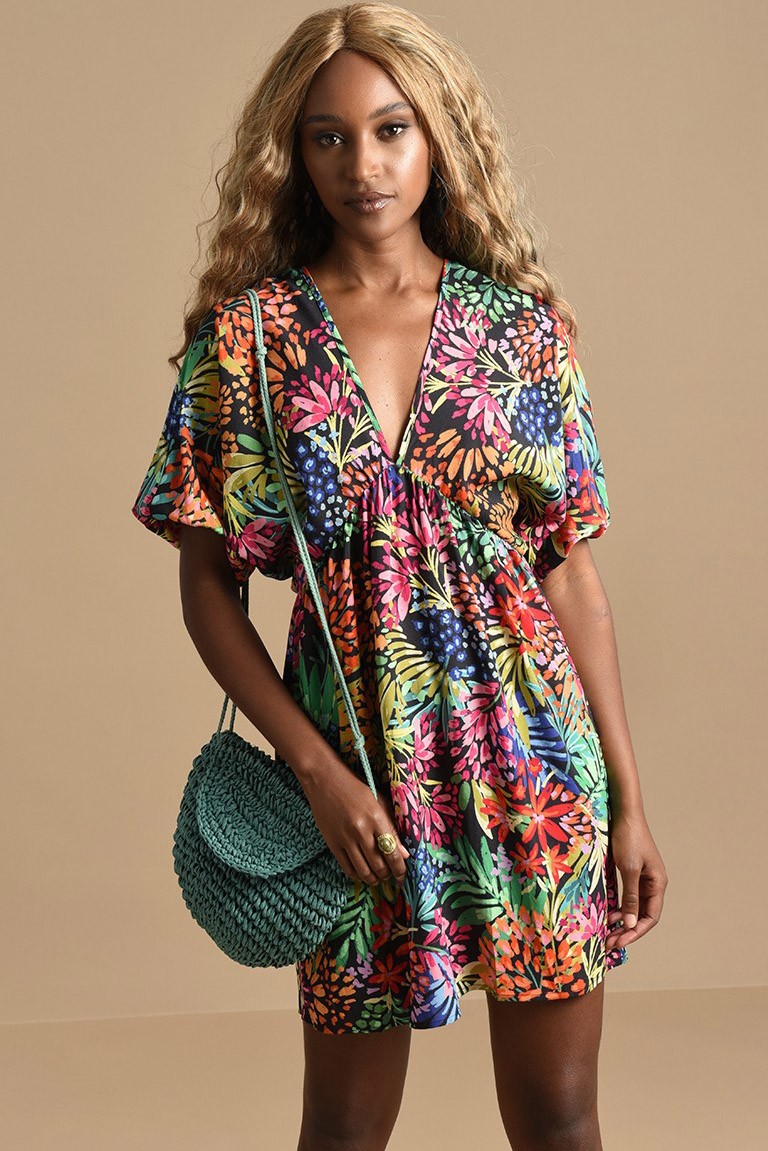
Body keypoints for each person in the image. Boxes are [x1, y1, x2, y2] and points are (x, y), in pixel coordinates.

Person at [131, 3, 668, 1148]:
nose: (362, 165)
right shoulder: (252, 342)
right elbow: (206, 586)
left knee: (561, 1116)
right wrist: (315, 769)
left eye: (390, 129)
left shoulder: (522, 332)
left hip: (532, 767)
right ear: (296, 153)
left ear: (438, 138)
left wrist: (629, 797)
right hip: (358, 790)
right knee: (341, 1127)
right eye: (328, 136)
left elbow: (570, 573)